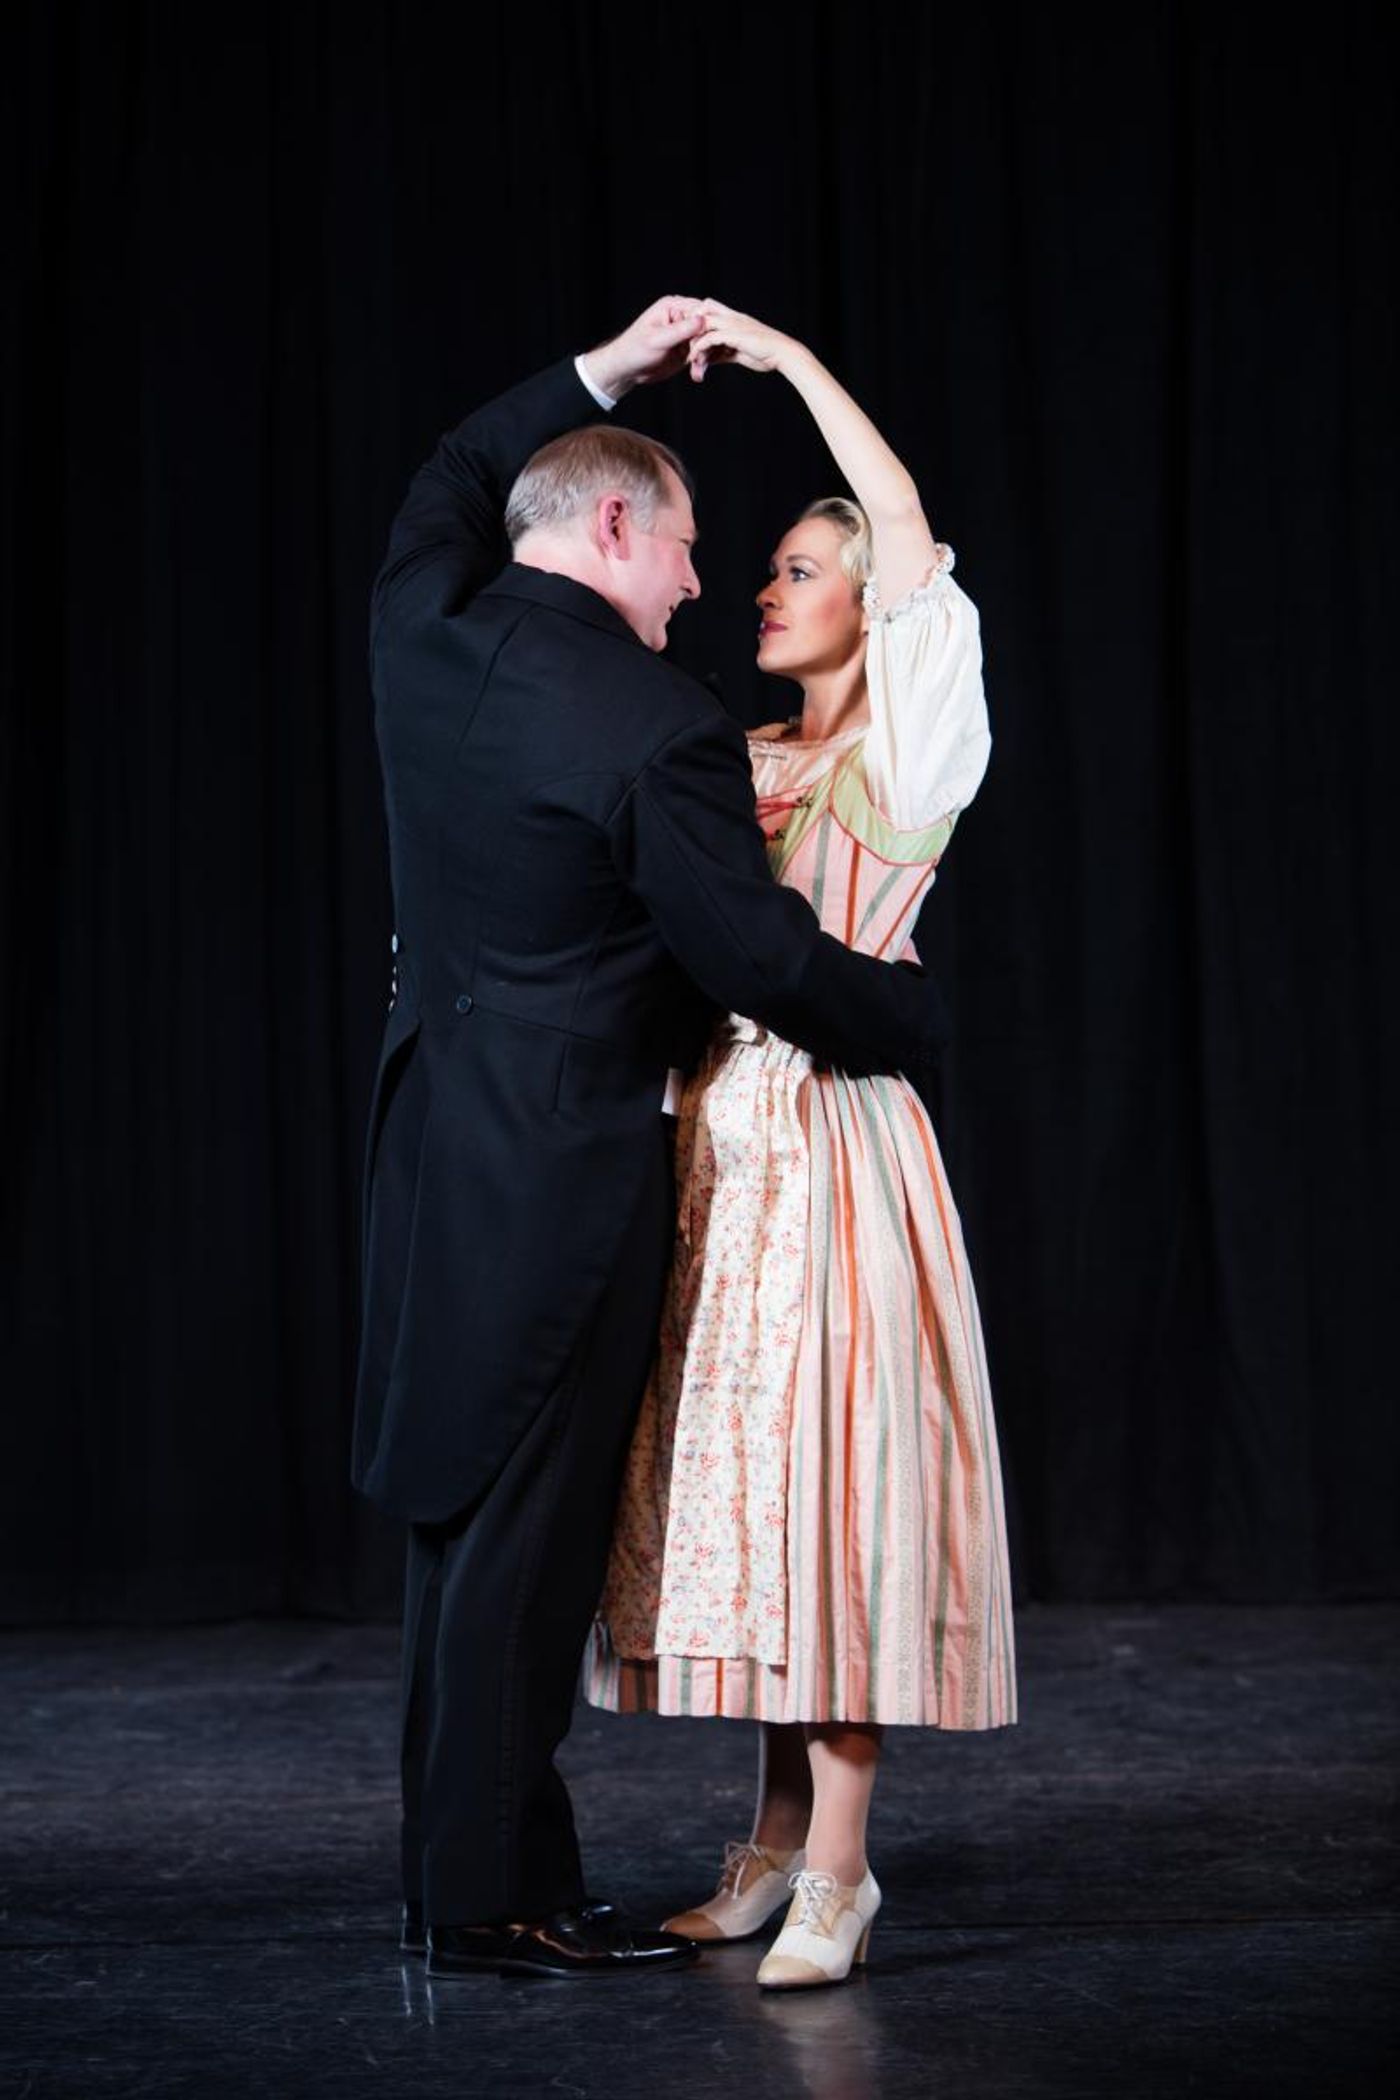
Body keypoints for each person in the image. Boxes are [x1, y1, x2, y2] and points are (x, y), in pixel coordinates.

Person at [351, 296, 958, 1982]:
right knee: (526, 1553)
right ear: (614, 524)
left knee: (458, 1538)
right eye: (689, 546)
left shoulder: (423, 625)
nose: (703, 584)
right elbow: (752, 957)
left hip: (433, 1160)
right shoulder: (653, 726)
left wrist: (600, 369)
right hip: (566, 1183)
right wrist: (919, 1021)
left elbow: (452, 474)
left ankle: (463, 1878)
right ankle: (488, 1902)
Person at [585, 301, 1018, 1991]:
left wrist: (788, 359)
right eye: (759, 568)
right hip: (721, 1151)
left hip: (833, 1146)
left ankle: (841, 1867)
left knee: (840, 1497)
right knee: (756, 1504)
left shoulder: (902, 754)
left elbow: (904, 535)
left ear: (864, 603)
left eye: (796, 570)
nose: (766, 591)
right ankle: (770, 1837)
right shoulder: (740, 759)